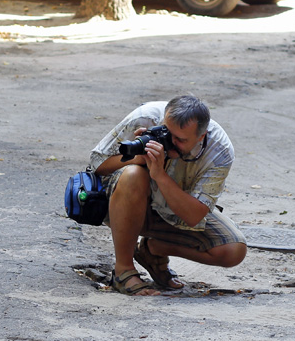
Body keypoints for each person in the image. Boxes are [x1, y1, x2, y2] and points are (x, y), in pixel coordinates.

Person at [89, 95, 246, 296]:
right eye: (166, 132)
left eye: (180, 140)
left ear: (201, 136)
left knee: (233, 250)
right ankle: (123, 271)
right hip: (122, 204)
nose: (170, 143)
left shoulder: (219, 151)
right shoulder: (146, 118)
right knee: (133, 174)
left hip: (174, 213)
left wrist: (160, 175)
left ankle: (153, 250)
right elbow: (97, 165)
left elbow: (193, 216)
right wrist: (137, 158)